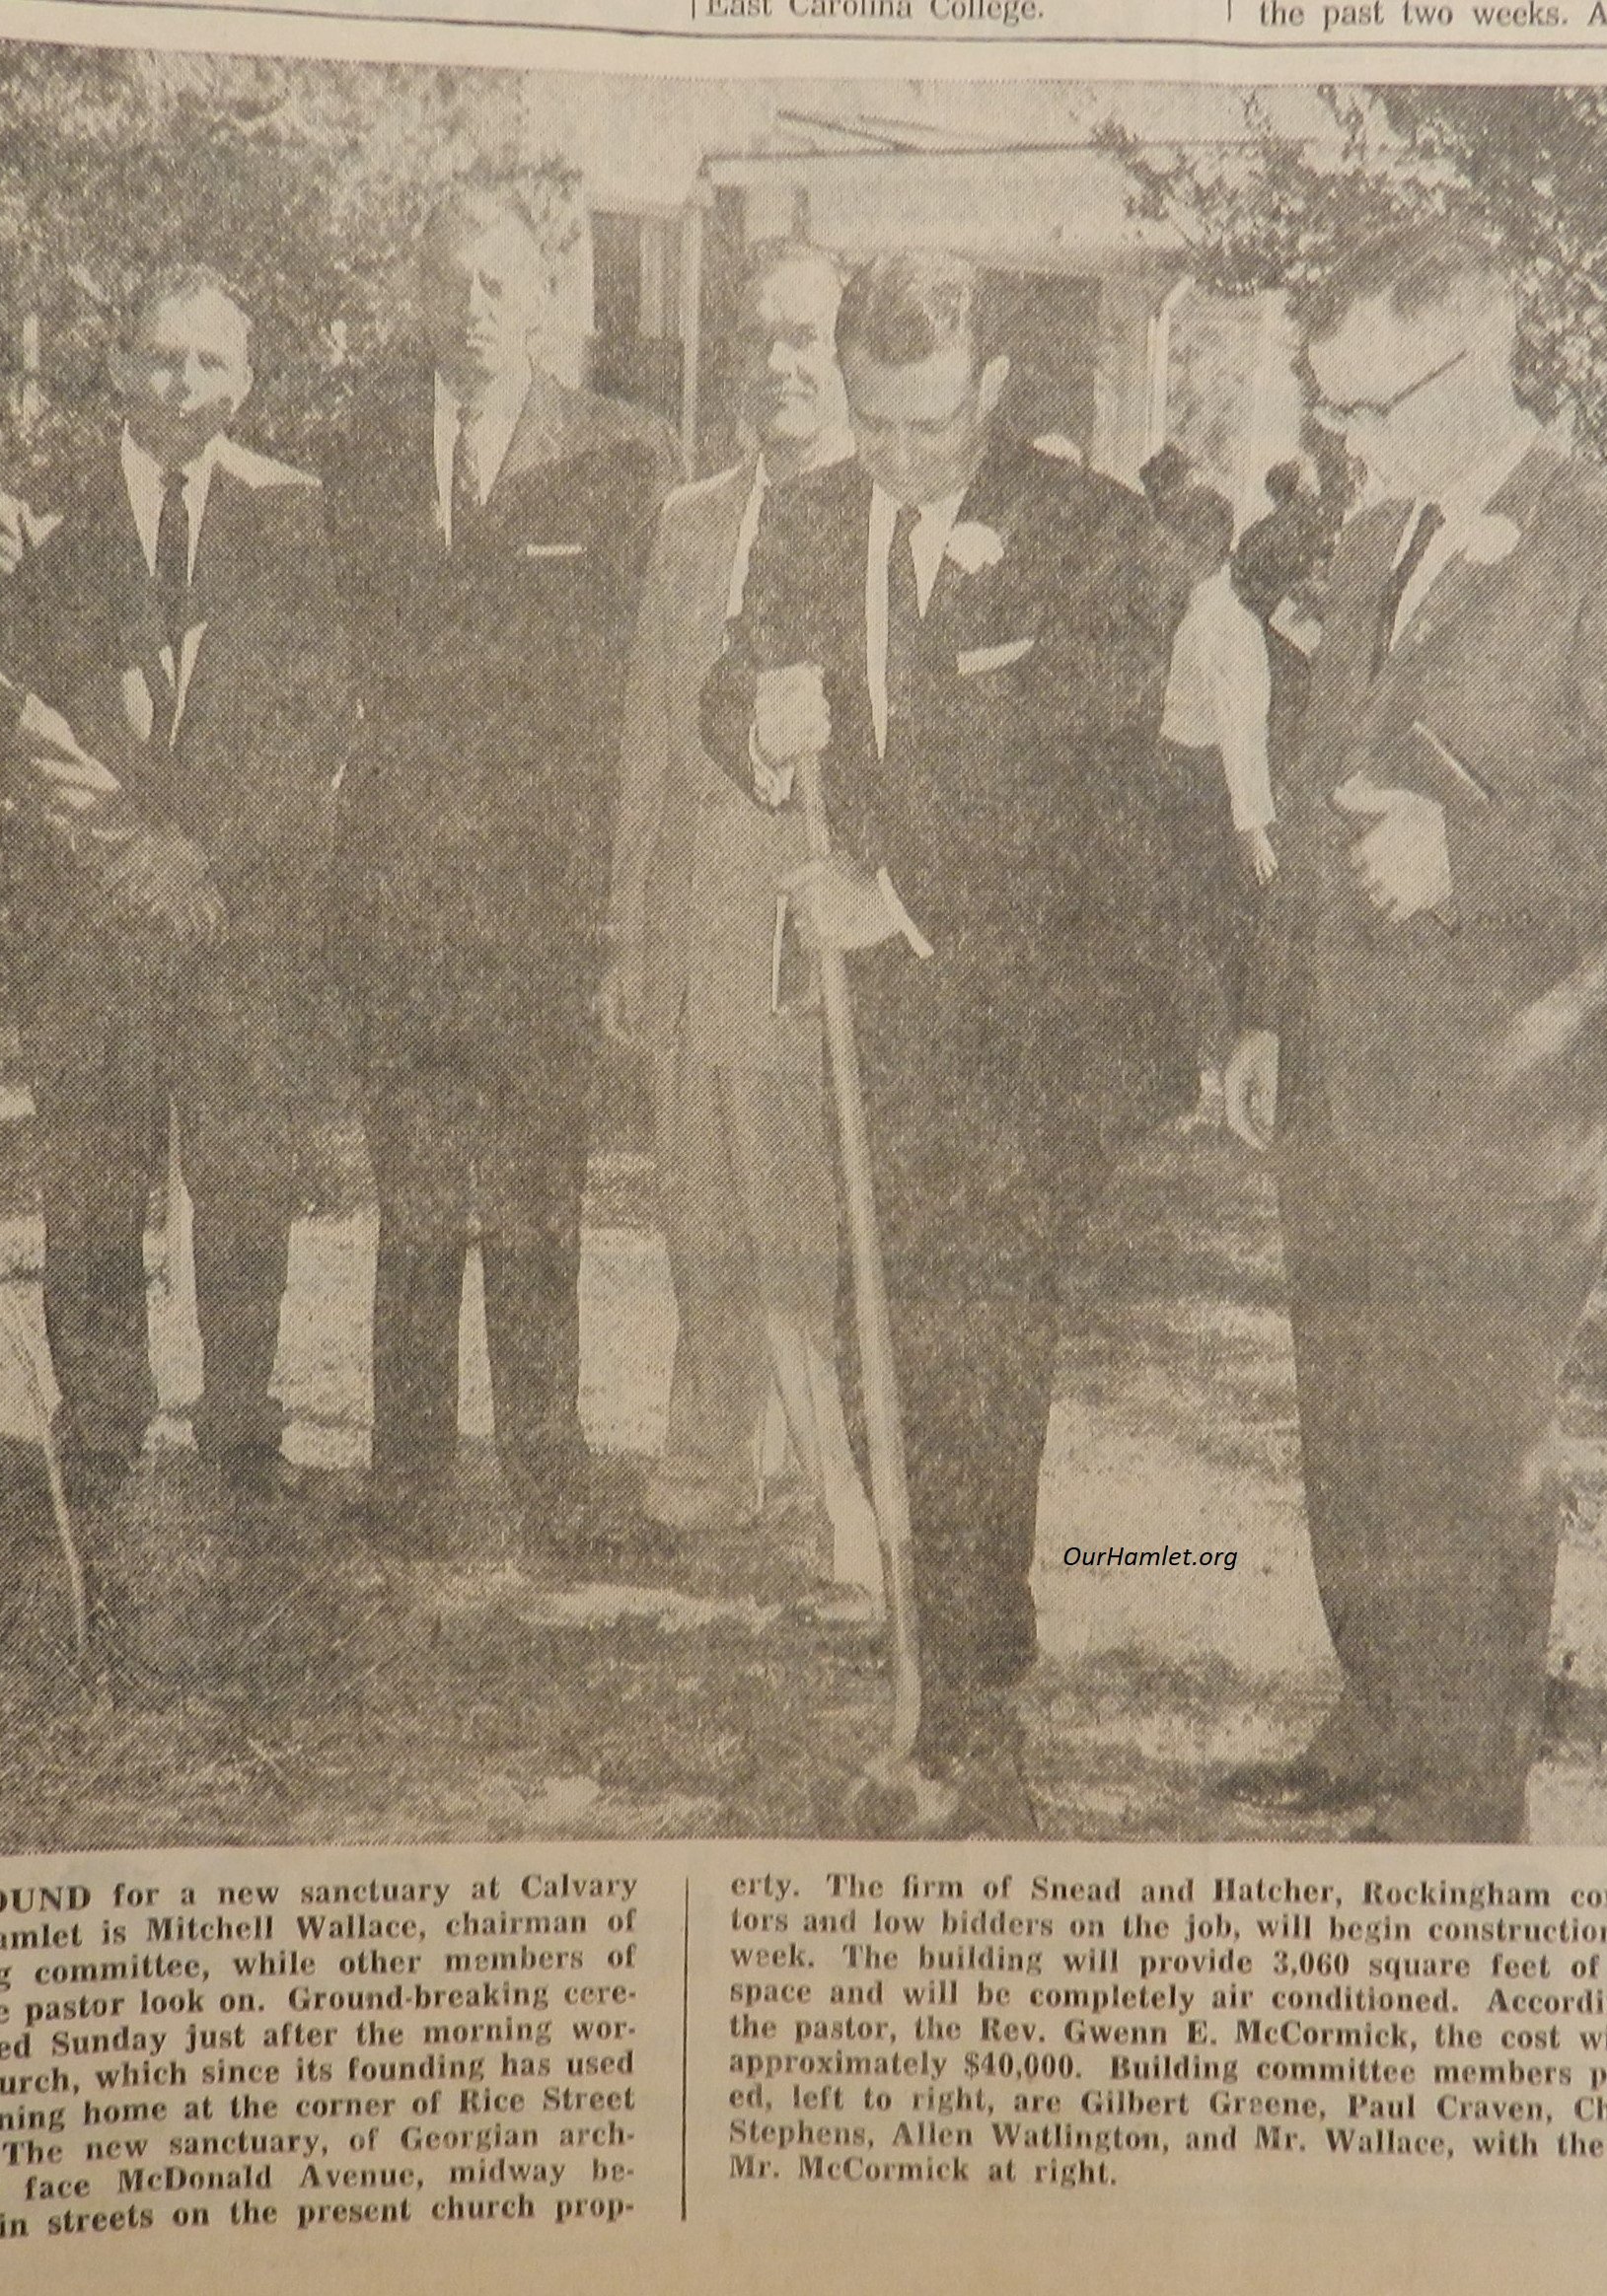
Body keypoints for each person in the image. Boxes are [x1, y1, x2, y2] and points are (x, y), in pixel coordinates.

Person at [1222, 220, 1607, 1843]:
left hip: (1506, 1099)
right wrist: (1261, 1014)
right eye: (1334, 414)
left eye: (1370, 411)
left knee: (1468, 1442)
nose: (1343, 446)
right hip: (1344, 1080)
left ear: (1478, 350)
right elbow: (1305, 802)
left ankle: (1462, 1792)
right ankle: (1380, 1716)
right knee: (1352, 1421)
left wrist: (1470, 853)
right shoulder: (1372, 543)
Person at [703, 250, 1187, 1806]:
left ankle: (966, 1696)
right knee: (885, 1352)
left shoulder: (1091, 535)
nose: (897, 456)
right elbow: (738, 675)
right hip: (871, 1028)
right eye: (871, 420)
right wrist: (757, 729)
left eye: (926, 425)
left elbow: (1081, 780)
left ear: (986, 389)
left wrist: (894, 891)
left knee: (975, 1356)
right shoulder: (812, 514)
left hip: (1024, 1025)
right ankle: (942, 1639)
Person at [327, 181, 679, 1551]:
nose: (472, 310)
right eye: (449, 282)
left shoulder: (622, 456)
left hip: (543, 903)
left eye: (498, 284)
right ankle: (405, 1472)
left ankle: (547, 1460)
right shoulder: (353, 457)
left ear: (542, 300)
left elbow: (635, 688)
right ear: (418, 295)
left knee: (539, 1195)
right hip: (400, 898)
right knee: (412, 1198)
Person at [0, 269, 349, 1512]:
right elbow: (9, 705)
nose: (179, 385)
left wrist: (209, 859)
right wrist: (133, 848)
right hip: (90, 913)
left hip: (238, 919)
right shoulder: (39, 516)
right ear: (119, 370)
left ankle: (242, 1419)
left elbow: (315, 715)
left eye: (206, 363)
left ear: (244, 381)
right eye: (157, 358)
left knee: (245, 1173)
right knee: (89, 1174)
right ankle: (98, 1426)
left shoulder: (299, 516)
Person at [602, 241, 875, 1586]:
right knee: (697, 1199)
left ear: (848, 355)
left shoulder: (875, 507)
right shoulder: (691, 516)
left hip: (797, 911)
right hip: (687, 907)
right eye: (762, 338)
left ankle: (839, 1501)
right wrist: (625, 928)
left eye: (807, 337)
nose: (782, 364)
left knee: (794, 1211)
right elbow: (653, 731)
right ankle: (710, 1463)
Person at [1157, 483, 1277, 1127]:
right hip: (1176, 788)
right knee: (1185, 936)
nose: (1170, 552)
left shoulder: (1227, 625)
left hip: (1207, 794)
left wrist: (1250, 825)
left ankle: (1244, 1072)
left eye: (1180, 542)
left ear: (1211, 547)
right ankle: (1182, 1080)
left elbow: (1241, 732)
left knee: (1226, 938)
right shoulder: (1193, 614)